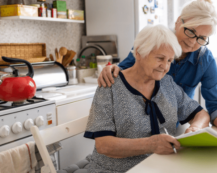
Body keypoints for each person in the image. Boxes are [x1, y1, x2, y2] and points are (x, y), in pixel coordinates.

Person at [98, 0, 217, 135]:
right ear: (178, 22)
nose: (192, 42)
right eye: (190, 31)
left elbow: (216, 104)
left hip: (173, 129)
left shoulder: (205, 59)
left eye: (202, 38)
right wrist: (112, 69)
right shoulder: (153, 41)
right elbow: (125, 71)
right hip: (136, 129)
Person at [84, 25, 210, 173]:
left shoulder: (167, 83)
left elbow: (201, 114)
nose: (165, 67)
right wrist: (151, 144)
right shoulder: (110, 85)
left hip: (159, 168)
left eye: (169, 60)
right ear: (138, 53)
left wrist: (195, 128)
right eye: (160, 58)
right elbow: (104, 145)